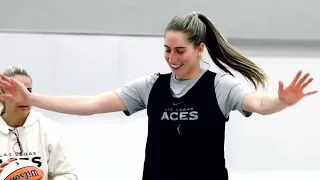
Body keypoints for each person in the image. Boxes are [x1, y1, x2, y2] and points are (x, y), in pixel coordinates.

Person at [0, 12, 317, 180]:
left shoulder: (221, 86)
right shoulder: (151, 86)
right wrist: (32, 97)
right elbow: (91, 103)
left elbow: (259, 104)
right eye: (167, 50)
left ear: (199, 49)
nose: (172, 58)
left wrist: (281, 101)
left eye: (180, 51)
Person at [0, 66, 78, 180]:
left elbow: (69, 174)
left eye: (28, 91)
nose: (24, 97)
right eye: (16, 91)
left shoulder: (50, 130)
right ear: (2, 95)